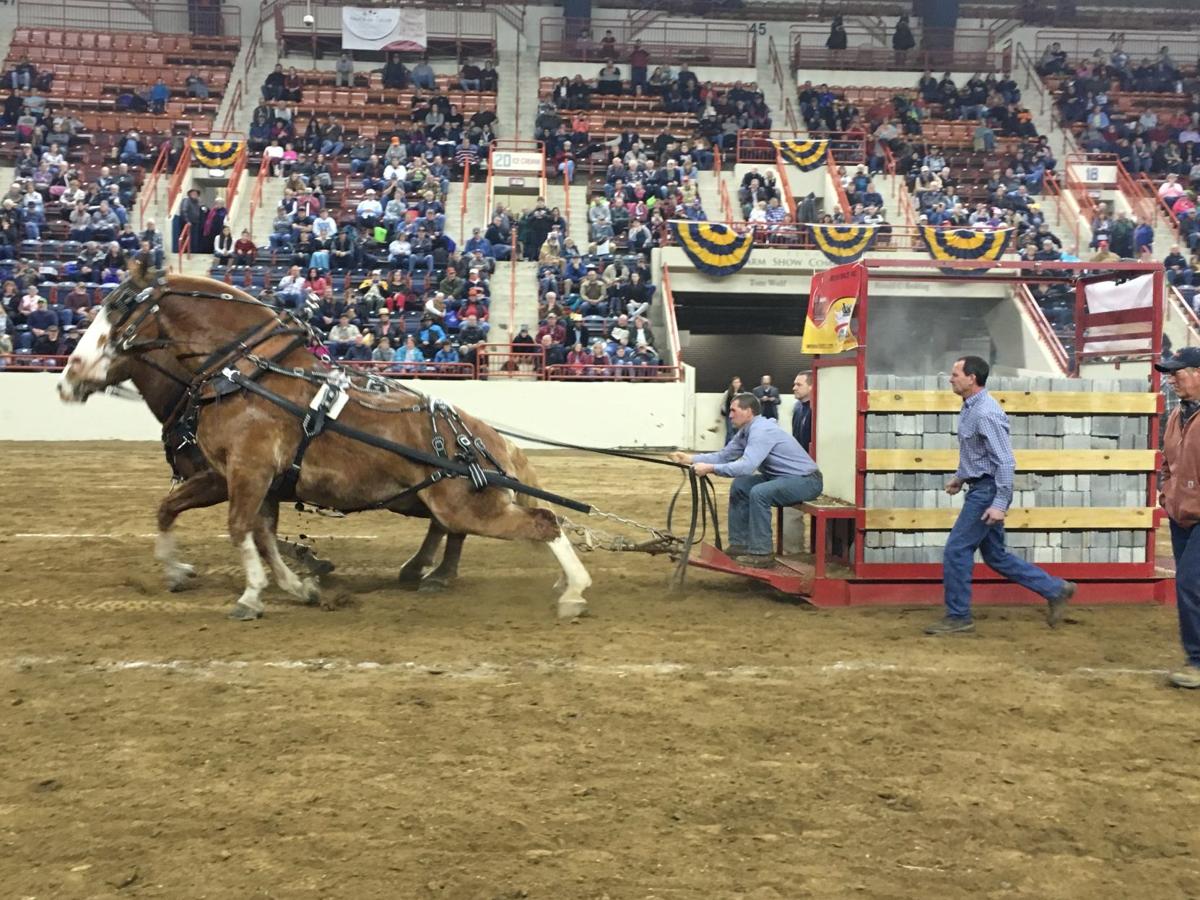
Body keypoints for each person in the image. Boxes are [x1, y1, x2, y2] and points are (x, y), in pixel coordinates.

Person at [926, 356, 1077, 635]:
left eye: (955, 374)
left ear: (972, 378)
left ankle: (959, 617)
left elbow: (1005, 462)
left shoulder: (985, 413)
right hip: (981, 487)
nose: (951, 378)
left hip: (987, 492)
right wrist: (961, 477)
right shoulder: (971, 407)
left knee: (957, 550)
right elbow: (977, 453)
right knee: (995, 556)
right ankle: (1056, 589)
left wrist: (999, 504)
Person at [672, 393, 823, 568]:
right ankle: (740, 545)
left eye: (733, 410)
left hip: (806, 482)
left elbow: (746, 466)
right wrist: (691, 459)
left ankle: (762, 553)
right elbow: (724, 456)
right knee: (741, 485)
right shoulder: (746, 431)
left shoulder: (761, 431)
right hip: (786, 478)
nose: (730, 415)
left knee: (760, 493)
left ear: (748, 411)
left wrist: (710, 468)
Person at [1155, 347, 1200, 688]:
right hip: (1181, 516)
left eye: (1178, 372)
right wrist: (1168, 492)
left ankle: (1197, 661)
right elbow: (1168, 462)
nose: (1171, 378)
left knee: (1188, 583)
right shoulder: (1176, 416)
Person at [791, 371, 812, 451]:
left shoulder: (818, 410)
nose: (794, 388)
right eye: (794, 384)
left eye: (799, 385)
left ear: (811, 386)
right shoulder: (797, 407)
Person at [719, 375, 742, 444]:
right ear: (732, 383)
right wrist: (725, 412)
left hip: (740, 415)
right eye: (735, 382)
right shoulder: (728, 392)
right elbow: (723, 403)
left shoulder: (742, 392)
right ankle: (727, 449)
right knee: (730, 432)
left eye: (738, 382)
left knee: (738, 432)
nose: (736, 384)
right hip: (730, 415)